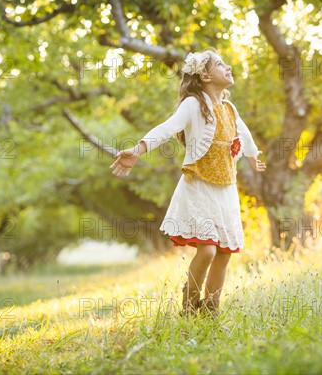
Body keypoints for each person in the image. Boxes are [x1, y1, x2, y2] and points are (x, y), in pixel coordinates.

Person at [110, 49, 266, 318]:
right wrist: (137, 149)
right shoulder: (194, 104)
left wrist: (252, 156)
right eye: (220, 64)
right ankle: (190, 305)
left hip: (225, 189)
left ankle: (211, 310)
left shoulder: (229, 107)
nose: (227, 66)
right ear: (205, 75)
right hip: (199, 186)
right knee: (206, 250)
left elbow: (243, 131)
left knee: (224, 253)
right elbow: (168, 127)